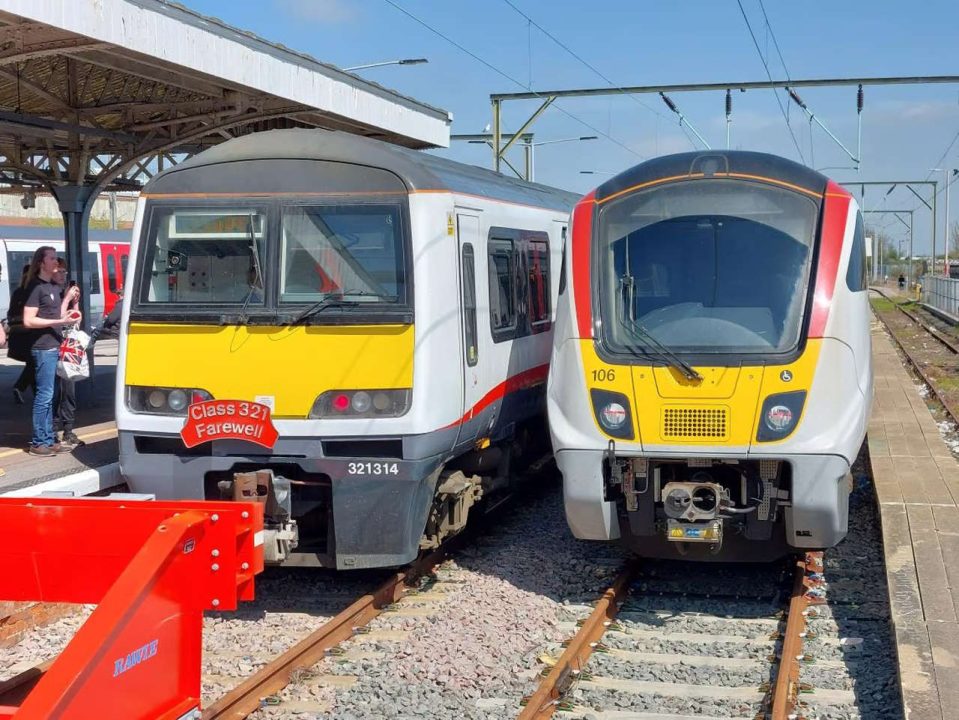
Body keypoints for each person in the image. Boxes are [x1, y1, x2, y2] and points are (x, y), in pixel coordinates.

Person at [22, 246, 81, 456]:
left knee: (52, 395)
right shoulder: (36, 288)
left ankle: (48, 438)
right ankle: (39, 442)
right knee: (44, 396)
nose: (57, 262)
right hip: (43, 347)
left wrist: (71, 303)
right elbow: (28, 320)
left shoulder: (53, 288)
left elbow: (59, 315)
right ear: (41, 263)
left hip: (54, 346)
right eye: (53, 258)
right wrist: (59, 319)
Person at [52, 259, 83, 450]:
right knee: (56, 391)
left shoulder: (65, 294)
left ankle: (69, 429)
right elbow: (58, 319)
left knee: (69, 390)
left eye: (65, 272)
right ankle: (53, 430)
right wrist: (66, 300)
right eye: (60, 272)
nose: (63, 275)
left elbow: (75, 320)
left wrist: (75, 302)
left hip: (69, 347)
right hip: (54, 347)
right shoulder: (51, 294)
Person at [7, 264, 35, 404]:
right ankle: (20, 386)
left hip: (17, 336)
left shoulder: (17, 292)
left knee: (33, 365)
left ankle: (24, 389)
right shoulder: (34, 291)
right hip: (30, 335)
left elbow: (10, 315)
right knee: (35, 363)